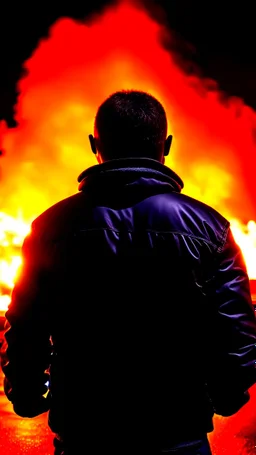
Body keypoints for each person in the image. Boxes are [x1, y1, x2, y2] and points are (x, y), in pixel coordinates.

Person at [1, 89, 256, 455]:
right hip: (177, 433)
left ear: (94, 144)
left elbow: (25, 327)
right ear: (165, 145)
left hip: (84, 434)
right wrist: (224, 396)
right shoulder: (209, 228)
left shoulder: (49, 229)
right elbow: (238, 334)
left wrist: (27, 394)